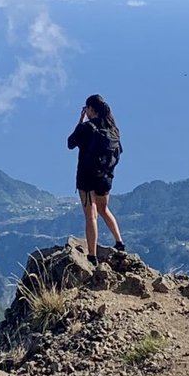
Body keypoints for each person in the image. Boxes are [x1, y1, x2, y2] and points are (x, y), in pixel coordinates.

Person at [67, 94, 125, 261]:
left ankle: (92, 255)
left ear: (90, 109)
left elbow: (70, 143)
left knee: (91, 216)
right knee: (103, 209)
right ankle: (119, 242)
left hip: (86, 177)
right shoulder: (113, 129)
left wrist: (80, 120)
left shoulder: (87, 127)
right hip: (105, 178)